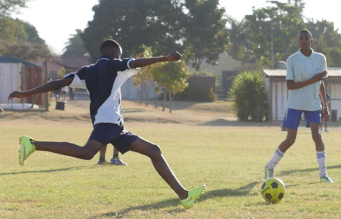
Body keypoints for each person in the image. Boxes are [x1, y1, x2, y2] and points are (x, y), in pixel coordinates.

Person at [8, 39, 205, 209]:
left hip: (115, 127)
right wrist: (165, 58)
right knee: (86, 153)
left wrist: (25, 93)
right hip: (107, 123)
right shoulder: (115, 66)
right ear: (113, 53)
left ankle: (184, 196)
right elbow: (137, 62)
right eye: (119, 54)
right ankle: (33, 144)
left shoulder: (87, 71)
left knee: (154, 150)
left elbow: (59, 82)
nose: (121, 57)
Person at [264, 29, 333, 183]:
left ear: (311, 41)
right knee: (290, 139)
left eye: (306, 38)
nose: (303, 41)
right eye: (300, 38)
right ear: (297, 42)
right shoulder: (292, 60)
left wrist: (325, 105)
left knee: (317, 134)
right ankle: (270, 166)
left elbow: (320, 83)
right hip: (295, 104)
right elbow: (290, 85)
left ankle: (323, 174)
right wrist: (314, 78)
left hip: (313, 104)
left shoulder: (320, 58)